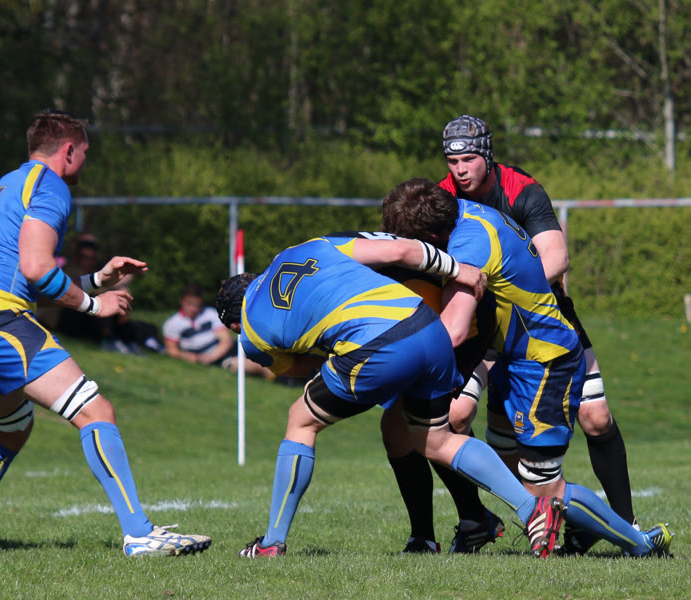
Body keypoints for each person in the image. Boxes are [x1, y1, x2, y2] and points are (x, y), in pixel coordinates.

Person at [0, 109, 210, 556]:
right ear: (68, 151)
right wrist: (96, 306)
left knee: (12, 427)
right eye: (84, 152)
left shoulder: (9, 183)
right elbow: (37, 269)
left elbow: (25, 278)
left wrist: (97, 281)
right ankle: (140, 534)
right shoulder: (51, 185)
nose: (84, 161)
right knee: (96, 411)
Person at [218, 232, 570, 559]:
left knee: (300, 420)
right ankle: (531, 509)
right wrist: (458, 269)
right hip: (428, 324)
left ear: (234, 325)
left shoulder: (250, 332)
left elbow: (295, 367)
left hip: (375, 346)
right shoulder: (301, 248)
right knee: (435, 438)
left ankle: (272, 542)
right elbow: (401, 249)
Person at [381, 177, 673, 558]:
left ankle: (642, 544)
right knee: (516, 470)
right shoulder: (470, 214)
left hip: (544, 362)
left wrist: (387, 353)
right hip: (516, 356)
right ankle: (580, 527)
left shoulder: (469, 246)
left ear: (432, 236)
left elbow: (453, 331)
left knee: (543, 488)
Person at [48, 233, 165, 355]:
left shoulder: (98, 268)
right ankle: (111, 340)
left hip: (93, 315)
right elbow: (77, 289)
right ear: (77, 255)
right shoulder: (68, 269)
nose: (89, 261)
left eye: (92, 257)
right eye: (85, 256)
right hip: (71, 317)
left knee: (135, 319)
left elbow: (122, 279)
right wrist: (113, 288)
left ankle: (129, 341)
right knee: (102, 303)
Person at [163, 283, 274, 379]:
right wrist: (187, 356)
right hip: (222, 360)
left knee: (267, 353)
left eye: (197, 305)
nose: (193, 308)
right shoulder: (172, 324)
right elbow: (171, 350)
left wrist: (210, 358)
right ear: (181, 301)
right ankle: (277, 378)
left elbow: (226, 341)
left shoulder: (210, 313)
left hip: (229, 350)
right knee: (254, 365)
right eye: (190, 304)